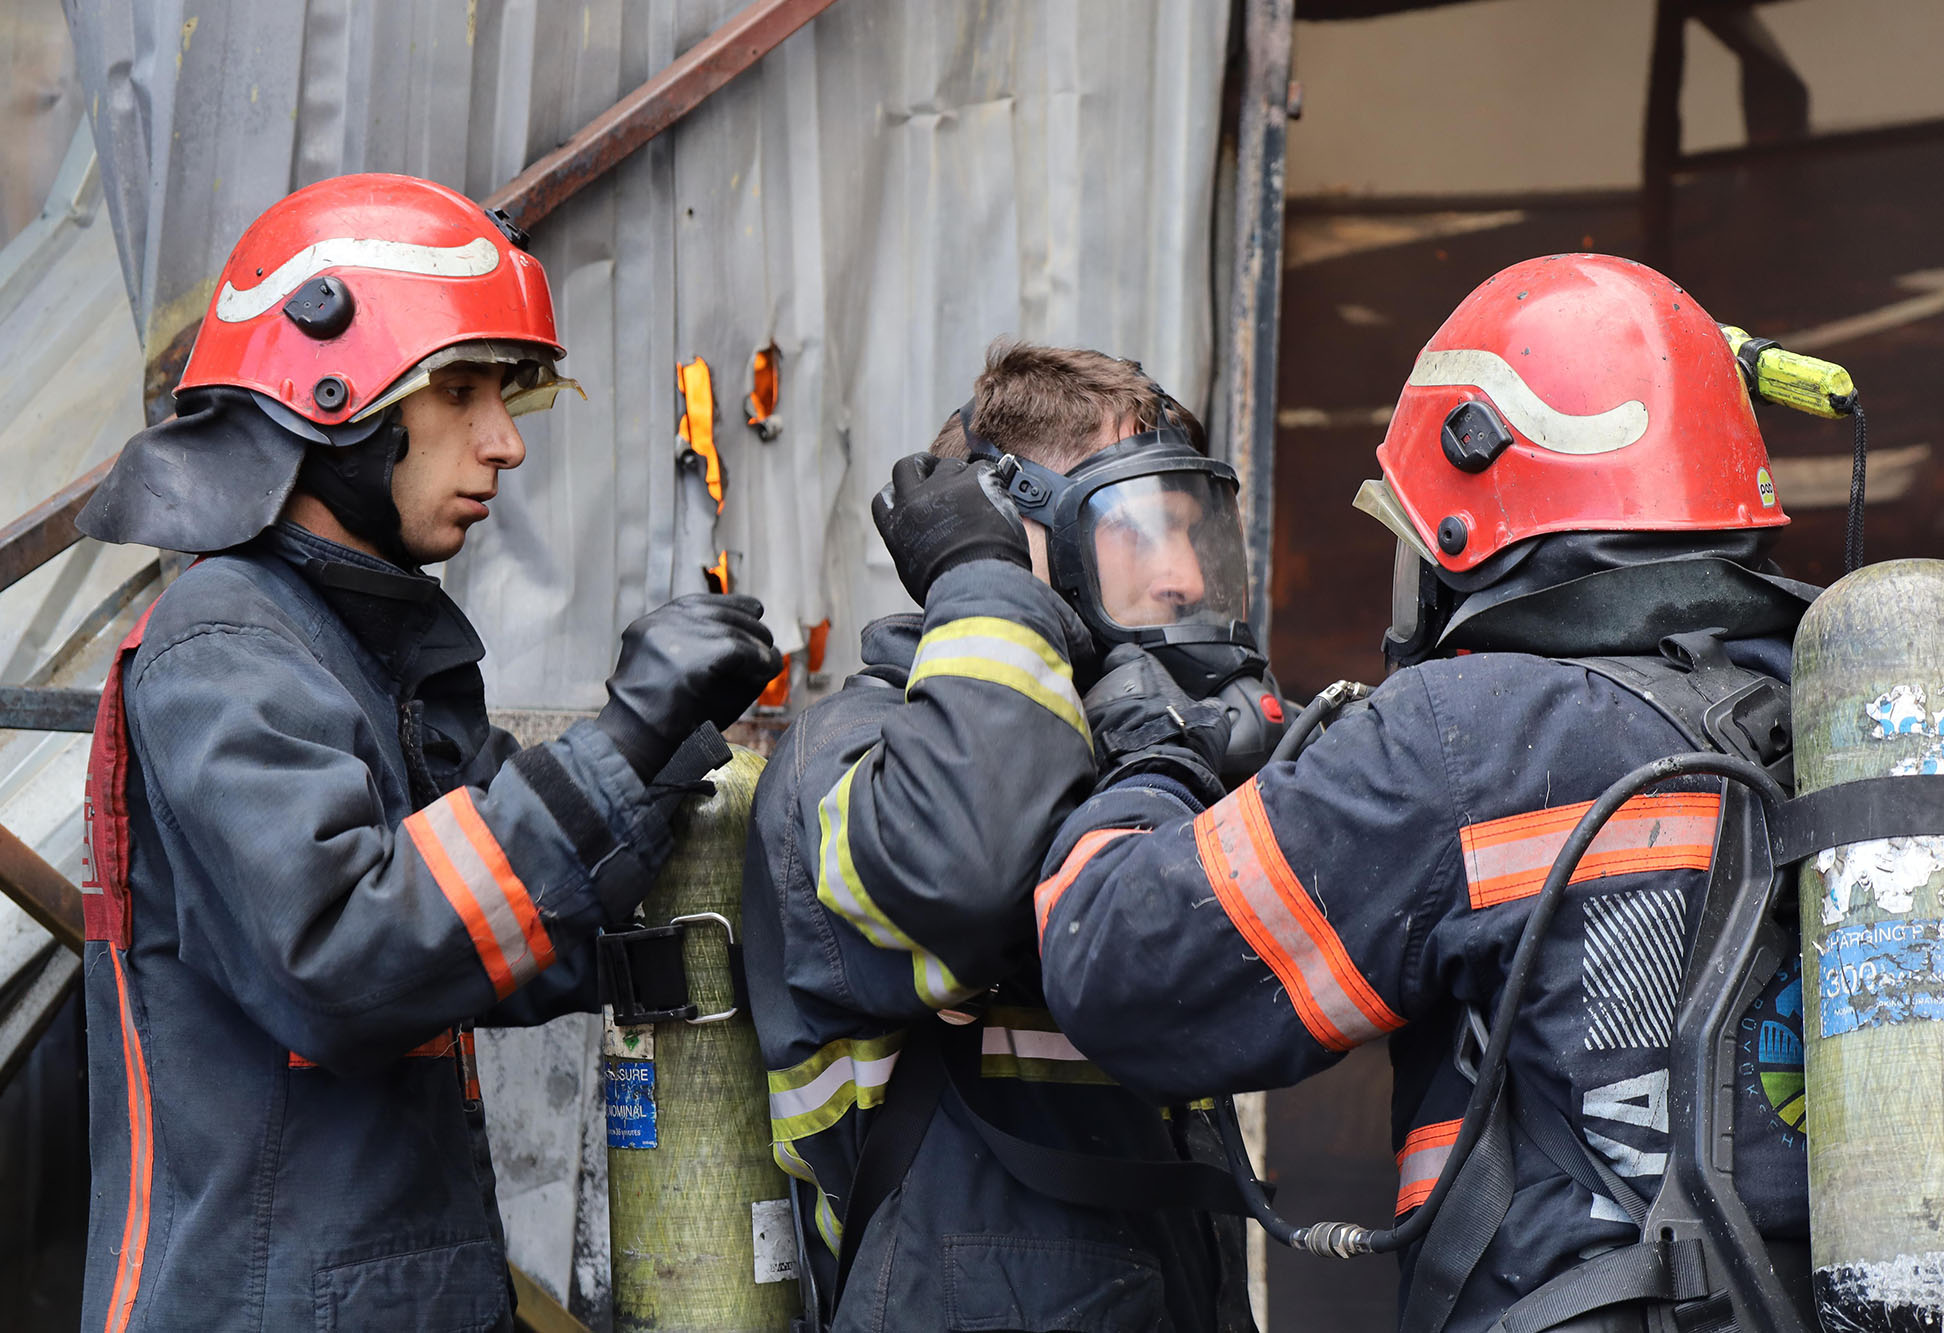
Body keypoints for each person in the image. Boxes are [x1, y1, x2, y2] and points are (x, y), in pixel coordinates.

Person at [1005, 255, 1816, 1331]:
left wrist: (1159, 751)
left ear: (1464, 519)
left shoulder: (1464, 737)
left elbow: (1122, 967)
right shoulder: (1843, 708)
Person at [71, 173, 783, 1332]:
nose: (503, 442)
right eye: (459, 391)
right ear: (332, 402)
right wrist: (622, 742)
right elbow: (350, 955)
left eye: (506, 397)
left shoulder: (362, 650)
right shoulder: (224, 645)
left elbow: (499, 928)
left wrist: (661, 771)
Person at [740, 342, 1261, 1333]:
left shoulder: (1136, 757)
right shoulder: (850, 758)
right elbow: (969, 870)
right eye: (1146, 530)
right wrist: (985, 582)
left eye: (1193, 533)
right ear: (1013, 525)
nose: (1187, 576)